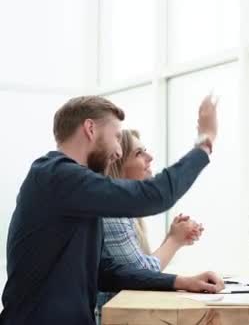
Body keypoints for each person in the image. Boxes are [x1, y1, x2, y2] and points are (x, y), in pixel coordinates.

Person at [0, 95, 224, 325]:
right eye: (116, 136)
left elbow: (105, 271)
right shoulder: (56, 176)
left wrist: (181, 281)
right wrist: (205, 143)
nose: (118, 151)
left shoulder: (71, 188)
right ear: (90, 128)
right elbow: (156, 195)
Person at [95, 129, 205, 322]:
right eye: (139, 153)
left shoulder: (124, 211)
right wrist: (174, 241)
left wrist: (172, 237)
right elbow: (140, 273)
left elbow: (140, 272)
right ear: (118, 164)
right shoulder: (112, 213)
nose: (150, 157)